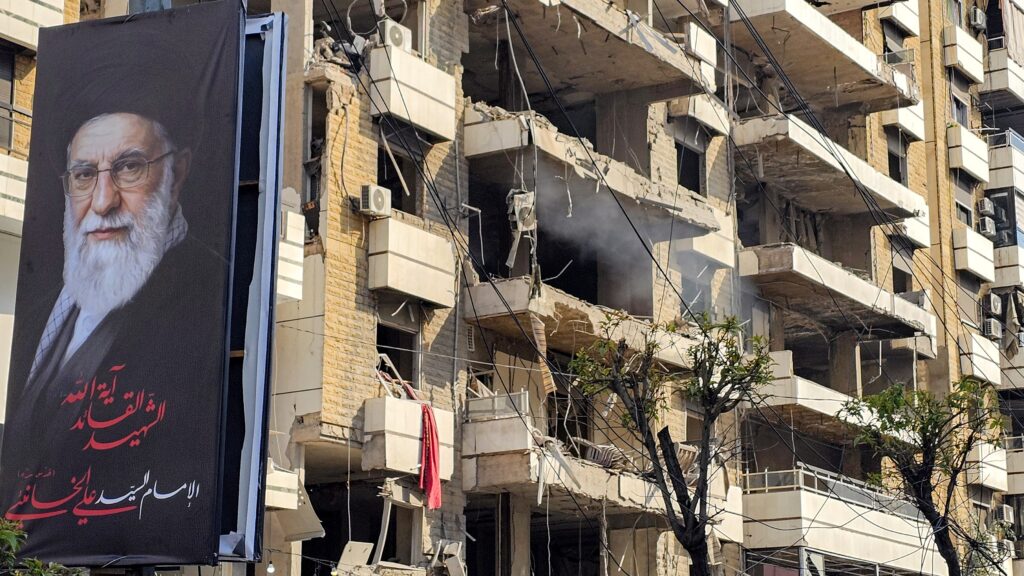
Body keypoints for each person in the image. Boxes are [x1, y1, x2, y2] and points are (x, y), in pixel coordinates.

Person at [0, 111, 228, 561]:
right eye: (85, 175)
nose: (102, 201)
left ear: (176, 172)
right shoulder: (52, 299)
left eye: (128, 167)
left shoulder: (206, 294)